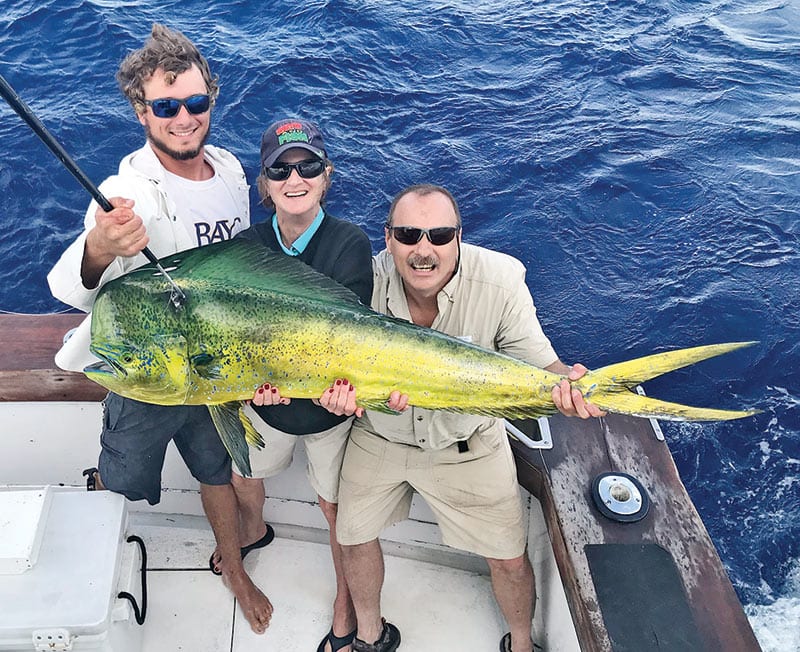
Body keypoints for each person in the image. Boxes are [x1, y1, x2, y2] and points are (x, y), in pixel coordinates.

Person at [46, 24, 273, 634]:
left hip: (212, 370)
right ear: (141, 111)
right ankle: (100, 481)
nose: (183, 119)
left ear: (211, 102)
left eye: (195, 104)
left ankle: (234, 565)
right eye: (167, 107)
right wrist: (101, 243)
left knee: (216, 471)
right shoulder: (125, 191)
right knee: (124, 480)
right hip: (146, 377)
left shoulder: (228, 172)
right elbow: (69, 286)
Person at [320, 184, 603, 652]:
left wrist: (571, 386)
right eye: (409, 235)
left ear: (459, 238)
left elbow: (541, 368)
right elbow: (328, 368)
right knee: (352, 536)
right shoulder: (357, 281)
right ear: (388, 239)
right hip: (381, 435)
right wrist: (335, 397)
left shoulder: (502, 279)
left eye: (439, 234)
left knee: (510, 558)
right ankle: (371, 634)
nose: (423, 250)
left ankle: (521, 643)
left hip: (468, 443)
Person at [207, 118, 373, 652]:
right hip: (267, 405)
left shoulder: (350, 242)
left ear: (326, 177)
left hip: (330, 411)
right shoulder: (247, 246)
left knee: (333, 509)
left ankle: (343, 603)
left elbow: (349, 336)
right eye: (280, 169)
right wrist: (250, 380)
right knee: (246, 477)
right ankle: (253, 528)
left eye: (307, 167)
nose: (294, 178)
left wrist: (340, 392)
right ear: (264, 184)